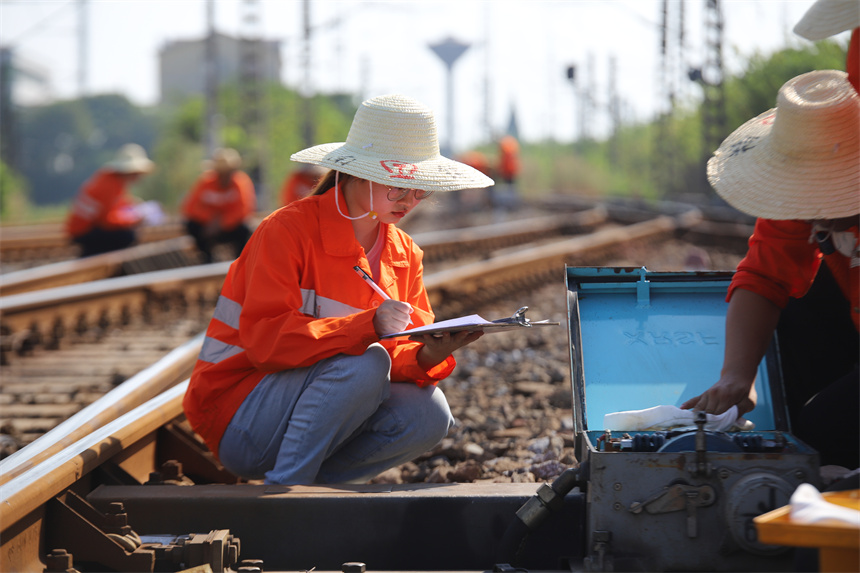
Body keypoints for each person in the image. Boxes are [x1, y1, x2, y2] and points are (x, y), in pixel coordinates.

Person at [183, 94, 495, 485]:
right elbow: (266, 344)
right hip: (240, 416)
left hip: (309, 417)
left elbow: (396, 360)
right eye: (398, 187)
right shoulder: (286, 231)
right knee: (367, 363)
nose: (410, 200)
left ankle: (321, 489)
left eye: (420, 190)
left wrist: (427, 354)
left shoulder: (404, 254)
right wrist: (367, 326)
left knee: (430, 413)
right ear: (357, 173)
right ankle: (287, 495)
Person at [680, 69, 859, 471]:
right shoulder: (807, 191)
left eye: (826, 190)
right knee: (790, 325)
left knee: (827, 432)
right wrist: (737, 377)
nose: (810, 207)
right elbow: (764, 276)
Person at [65, 143, 155, 257]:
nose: (139, 177)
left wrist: (133, 207)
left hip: (89, 227)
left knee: (126, 235)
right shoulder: (110, 185)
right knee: (127, 236)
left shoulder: (113, 181)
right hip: (82, 231)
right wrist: (133, 220)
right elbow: (107, 221)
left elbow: (118, 204)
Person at [181, 148, 256, 263]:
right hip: (207, 228)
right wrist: (209, 220)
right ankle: (206, 259)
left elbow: (244, 209)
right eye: (222, 172)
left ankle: (242, 261)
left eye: (228, 172)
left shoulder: (241, 183)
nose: (225, 176)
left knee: (245, 229)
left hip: (230, 227)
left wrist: (221, 223)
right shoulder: (205, 182)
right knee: (191, 225)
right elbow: (190, 207)